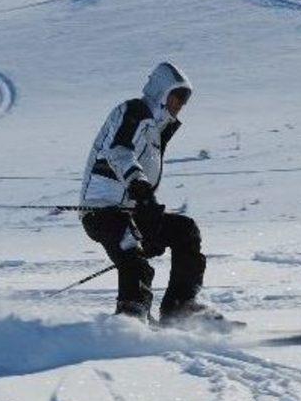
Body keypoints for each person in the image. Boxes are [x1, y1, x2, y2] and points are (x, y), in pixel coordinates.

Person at [79, 61, 222, 327]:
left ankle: (181, 309)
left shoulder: (155, 131)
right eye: (177, 95)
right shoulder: (133, 112)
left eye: (185, 99)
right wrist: (141, 190)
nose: (181, 103)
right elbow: (118, 151)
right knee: (134, 259)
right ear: (161, 91)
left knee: (184, 231)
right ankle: (130, 322)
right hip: (103, 211)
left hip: (130, 210)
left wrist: (149, 213)